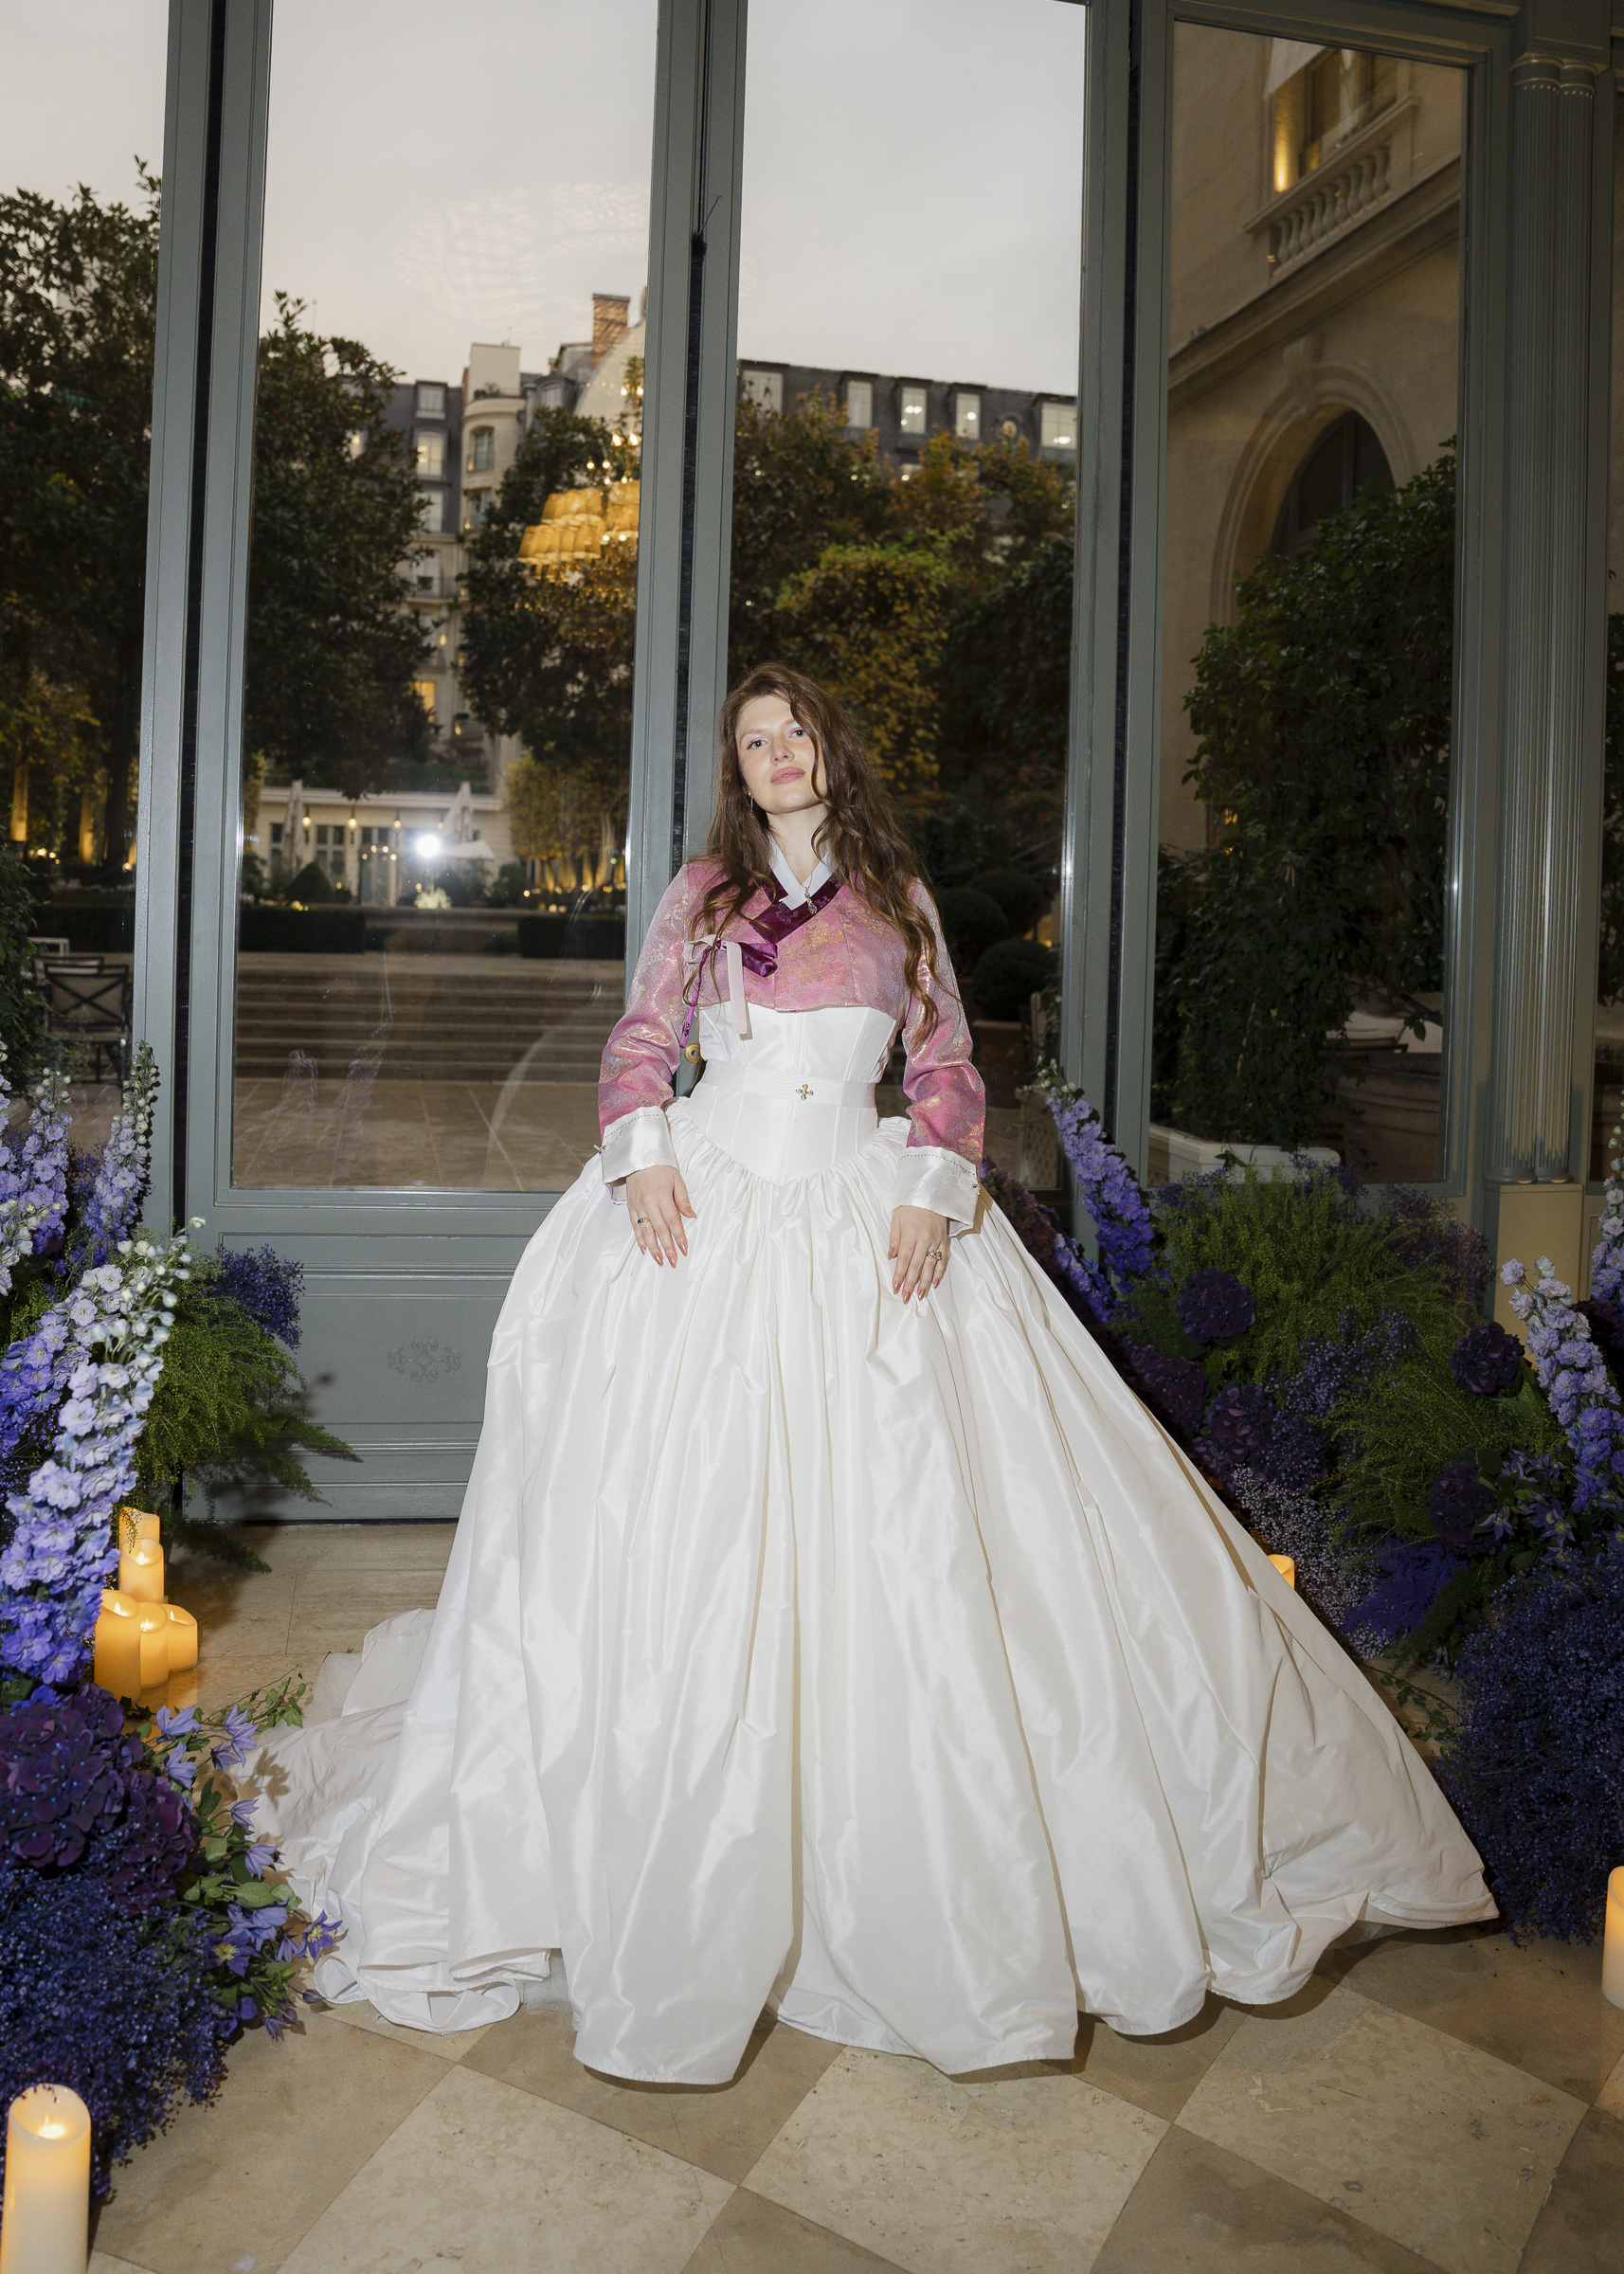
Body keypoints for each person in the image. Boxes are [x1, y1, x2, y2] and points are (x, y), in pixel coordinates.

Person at [249, 663, 1493, 2085]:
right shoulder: (701, 896)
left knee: (907, 1528)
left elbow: (946, 1067)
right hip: (704, 1211)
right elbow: (641, 1044)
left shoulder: (900, 905)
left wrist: (929, 1190)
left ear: (831, 750)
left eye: (794, 732)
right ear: (737, 767)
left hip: (863, 1207)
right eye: (753, 739)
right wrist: (642, 1161)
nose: (776, 753)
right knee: (684, 1531)